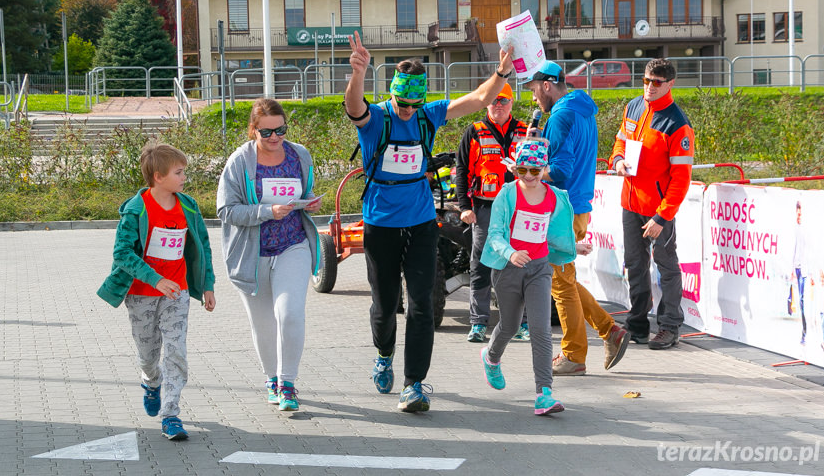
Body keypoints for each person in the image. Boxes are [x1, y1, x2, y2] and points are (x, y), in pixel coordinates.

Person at [344, 31, 514, 412]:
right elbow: (354, 106)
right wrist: (358, 73)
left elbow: (479, 99)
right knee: (385, 305)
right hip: (381, 223)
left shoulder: (426, 114)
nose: (407, 110)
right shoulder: (378, 118)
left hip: (421, 222)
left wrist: (501, 71)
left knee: (421, 302)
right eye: (402, 103)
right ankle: (384, 355)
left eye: (413, 103)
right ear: (393, 95)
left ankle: (414, 384)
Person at [98, 142, 216, 441]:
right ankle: (151, 382)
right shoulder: (136, 210)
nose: (184, 177)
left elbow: (202, 246)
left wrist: (208, 286)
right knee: (149, 354)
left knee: (176, 351)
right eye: (179, 172)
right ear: (158, 176)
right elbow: (122, 254)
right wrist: (155, 279)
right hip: (140, 294)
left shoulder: (188, 205)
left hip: (177, 292)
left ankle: (171, 414)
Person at [216, 99, 323, 412]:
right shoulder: (240, 161)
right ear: (253, 130)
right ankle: (271, 380)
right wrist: (266, 212)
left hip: (293, 244)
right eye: (267, 132)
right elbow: (226, 210)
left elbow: (302, 192)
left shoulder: (299, 154)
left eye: (281, 130)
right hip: (253, 253)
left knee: (289, 314)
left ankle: (288, 383)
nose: (275, 137)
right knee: (263, 324)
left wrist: (308, 203)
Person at [526, 61, 631, 374]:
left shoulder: (560, 116)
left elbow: (559, 170)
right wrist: (539, 142)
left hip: (561, 208)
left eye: (533, 90)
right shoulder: (581, 110)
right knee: (564, 277)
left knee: (560, 285)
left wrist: (527, 173)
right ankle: (609, 330)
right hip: (578, 206)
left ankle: (574, 355)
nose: (533, 99)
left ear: (547, 85)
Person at [478, 138, 576, 415]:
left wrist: (573, 246)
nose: (530, 176)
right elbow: (495, 234)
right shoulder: (507, 195)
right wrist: (510, 253)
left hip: (539, 268)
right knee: (509, 326)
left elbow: (554, 232)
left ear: (545, 168)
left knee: (541, 330)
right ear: (515, 170)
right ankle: (492, 357)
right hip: (508, 269)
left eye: (535, 170)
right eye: (523, 170)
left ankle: (544, 393)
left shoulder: (555, 196)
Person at [609, 58, 694, 350]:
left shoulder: (678, 124)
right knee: (635, 263)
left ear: (670, 84)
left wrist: (662, 216)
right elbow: (619, 142)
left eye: (656, 82)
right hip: (630, 202)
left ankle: (670, 326)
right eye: (646, 80)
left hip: (658, 211)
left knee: (666, 266)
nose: (649, 87)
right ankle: (638, 324)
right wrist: (618, 160)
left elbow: (681, 179)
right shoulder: (633, 106)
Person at [455, 83, 529, 343]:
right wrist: (464, 207)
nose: (499, 105)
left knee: (519, 265)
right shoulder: (474, 132)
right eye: (495, 100)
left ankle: (522, 323)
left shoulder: (526, 131)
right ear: (487, 103)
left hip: (520, 208)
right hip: (485, 208)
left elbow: (540, 167)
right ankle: (478, 323)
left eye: (504, 101)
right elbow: (462, 170)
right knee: (482, 265)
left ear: (511, 103)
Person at [791, 201, 807, 344]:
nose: (799, 214)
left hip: (806, 269)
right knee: (800, 300)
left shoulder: (807, 229)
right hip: (797, 267)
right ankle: (804, 332)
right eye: (798, 211)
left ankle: (805, 332)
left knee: (805, 301)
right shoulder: (794, 228)